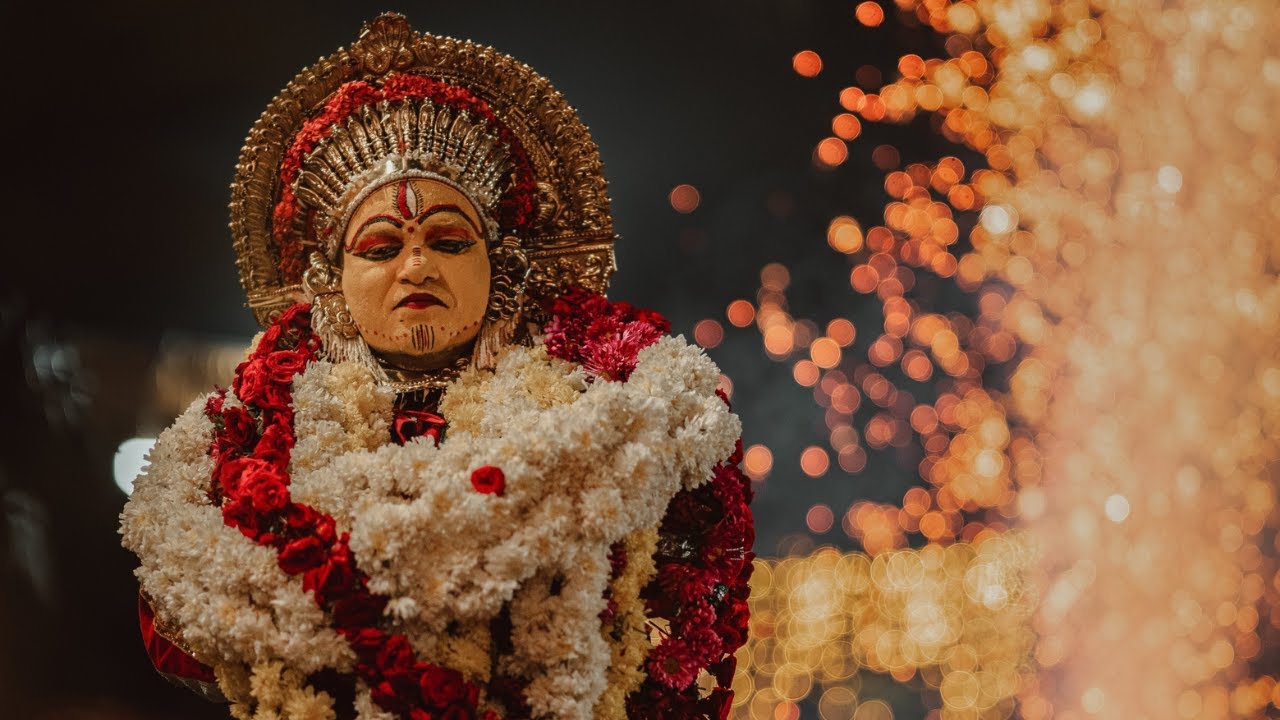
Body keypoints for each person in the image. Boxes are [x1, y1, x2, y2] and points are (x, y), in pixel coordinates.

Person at [120, 13, 754, 720]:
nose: (417, 265)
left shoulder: (600, 412)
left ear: (501, 267)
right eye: (380, 247)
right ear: (330, 281)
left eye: (449, 241)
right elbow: (184, 627)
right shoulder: (255, 444)